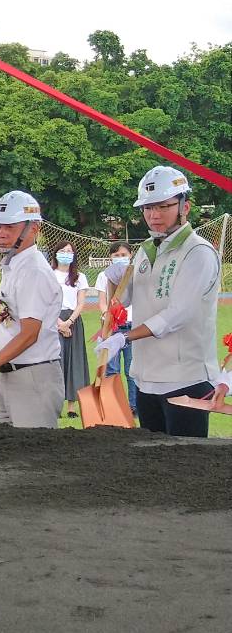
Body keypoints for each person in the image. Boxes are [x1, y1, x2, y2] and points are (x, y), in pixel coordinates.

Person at [96, 167, 224, 437]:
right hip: (146, 378)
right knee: (153, 467)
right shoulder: (145, 250)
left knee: (185, 466)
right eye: (148, 208)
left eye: (163, 207)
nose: (154, 215)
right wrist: (112, 278)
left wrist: (125, 338)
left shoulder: (198, 252)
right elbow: (123, 299)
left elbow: (178, 315)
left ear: (184, 207)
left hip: (185, 379)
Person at [0, 191, 63, 428]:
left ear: (33, 229)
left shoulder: (33, 271)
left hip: (32, 376)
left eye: (10, 227)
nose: (0, 234)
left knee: (33, 457)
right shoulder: (14, 266)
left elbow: (29, 334)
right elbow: (12, 320)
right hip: (10, 375)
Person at [92, 243, 137, 409]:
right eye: (116, 255)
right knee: (112, 369)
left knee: (132, 371)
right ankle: (113, 406)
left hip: (132, 327)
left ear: (131, 255)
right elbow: (103, 302)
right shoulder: (104, 276)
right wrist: (109, 316)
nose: (120, 258)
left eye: (123, 254)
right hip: (112, 327)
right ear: (110, 257)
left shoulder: (136, 275)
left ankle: (134, 406)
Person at [51, 241, 91, 419]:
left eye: (69, 251)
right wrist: (59, 323)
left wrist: (69, 322)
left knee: (74, 361)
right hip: (54, 320)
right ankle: (55, 404)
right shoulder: (49, 275)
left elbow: (81, 303)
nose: (66, 254)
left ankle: (72, 406)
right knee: (56, 362)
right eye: (63, 251)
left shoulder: (79, 277)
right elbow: (47, 302)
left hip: (73, 320)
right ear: (56, 253)